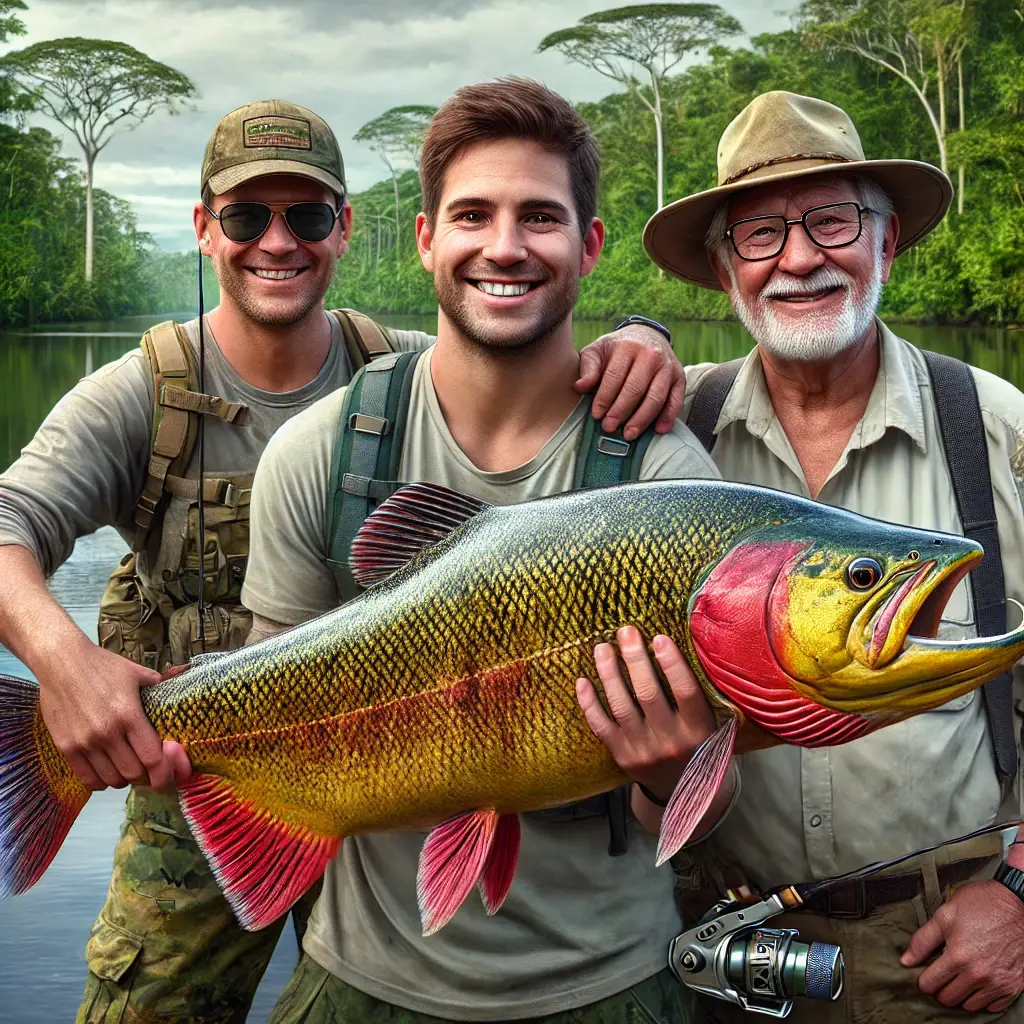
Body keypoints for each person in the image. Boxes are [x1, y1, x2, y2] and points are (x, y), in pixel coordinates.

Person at [0, 98, 694, 1024]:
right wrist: (65, 664)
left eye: (308, 216)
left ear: (347, 230)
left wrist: (647, 336)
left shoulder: (404, 359)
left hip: (385, 785)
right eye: (247, 217)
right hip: (197, 757)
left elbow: (515, 339)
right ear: (206, 229)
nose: (277, 242)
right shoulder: (140, 396)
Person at [238, 77, 730, 1023]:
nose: (504, 246)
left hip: (615, 979)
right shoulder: (317, 453)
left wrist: (676, 771)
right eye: (472, 214)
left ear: (587, 247)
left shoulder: (667, 471)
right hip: (363, 976)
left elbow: (706, 812)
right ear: (427, 239)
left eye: (539, 217)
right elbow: (270, 693)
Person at [640, 89, 1024, 1022]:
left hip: (948, 950)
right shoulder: (663, 433)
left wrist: (1020, 896)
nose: (801, 258)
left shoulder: (998, 429)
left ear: (886, 243)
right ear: (726, 274)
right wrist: (633, 338)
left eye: (832, 220)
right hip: (717, 944)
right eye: (761, 235)